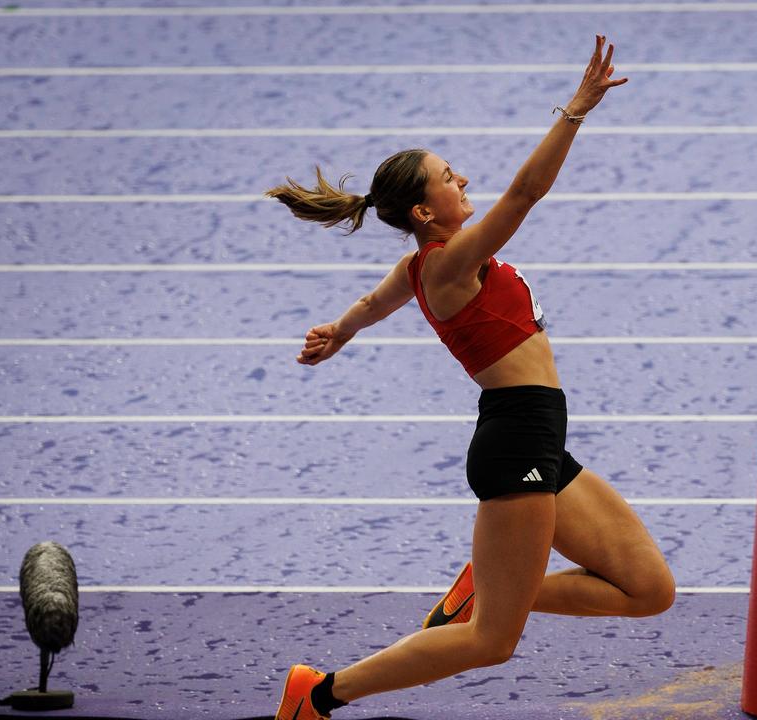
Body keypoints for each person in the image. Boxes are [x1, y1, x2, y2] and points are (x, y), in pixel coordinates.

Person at [263, 35, 675, 720]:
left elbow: (373, 303)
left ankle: (488, 585)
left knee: (648, 589)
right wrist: (575, 110)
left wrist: (341, 330)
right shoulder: (450, 264)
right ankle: (321, 693)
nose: (464, 183)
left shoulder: (418, 269)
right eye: (450, 178)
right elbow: (527, 191)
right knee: (491, 643)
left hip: (541, 440)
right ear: (425, 213)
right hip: (515, 444)